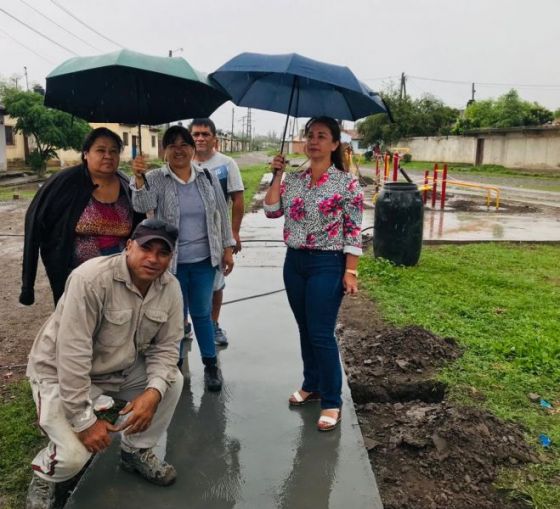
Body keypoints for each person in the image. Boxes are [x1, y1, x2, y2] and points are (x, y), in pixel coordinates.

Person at [25, 219, 184, 509]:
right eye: (147, 248)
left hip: (116, 371)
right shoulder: (90, 279)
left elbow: (166, 347)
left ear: (171, 257)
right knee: (74, 456)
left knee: (171, 382)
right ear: (129, 246)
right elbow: (71, 354)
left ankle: (135, 452)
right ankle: (45, 476)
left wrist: (153, 393)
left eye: (163, 252)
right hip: (59, 373)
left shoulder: (170, 287)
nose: (153, 259)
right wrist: (85, 422)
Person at [264, 116, 363, 432]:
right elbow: (270, 210)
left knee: (321, 332)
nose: (314, 140)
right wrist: (277, 174)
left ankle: (332, 400)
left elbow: (354, 229)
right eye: (310, 135)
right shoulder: (294, 179)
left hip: (327, 263)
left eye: (322, 136)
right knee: (305, 328)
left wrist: (350, 271)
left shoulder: (346, 184)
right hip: (294, 263)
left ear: (335, 144)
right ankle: (312, 384)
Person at [131, 126, 235, 392]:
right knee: (174, 319)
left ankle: (211, 366)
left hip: (204, 261)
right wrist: (139, 180)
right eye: (172, 144)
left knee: (202, 314)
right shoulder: (155, 177)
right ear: (165, 150)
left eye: (184, 144)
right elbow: (141, 208)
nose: (179, 149)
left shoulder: (207, 177)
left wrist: (227, 247)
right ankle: (174, 367)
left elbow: (221, 215)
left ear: (192, 148)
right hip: (170, 264)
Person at [20, 127, 144, 306]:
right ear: (86, 153)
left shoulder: (128, 185)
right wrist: (27, 287)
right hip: (75, 279)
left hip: (121, 279)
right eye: (100, 150)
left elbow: (141, 229)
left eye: (114, 151)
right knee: (78, 328)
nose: (108, 155)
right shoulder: (63, 184)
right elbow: (34, 225)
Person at [190, 118, 245, 346]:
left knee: (216, 284)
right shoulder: (182, 162)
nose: (200, 138)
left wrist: (233, 235)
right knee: (181, 283)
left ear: (214, 138)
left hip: (217, 236)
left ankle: (213, 324)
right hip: (187, 235)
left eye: (205, 134)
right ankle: (182, 326)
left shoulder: (226, 164)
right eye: (195, 134)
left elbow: (238, 199)